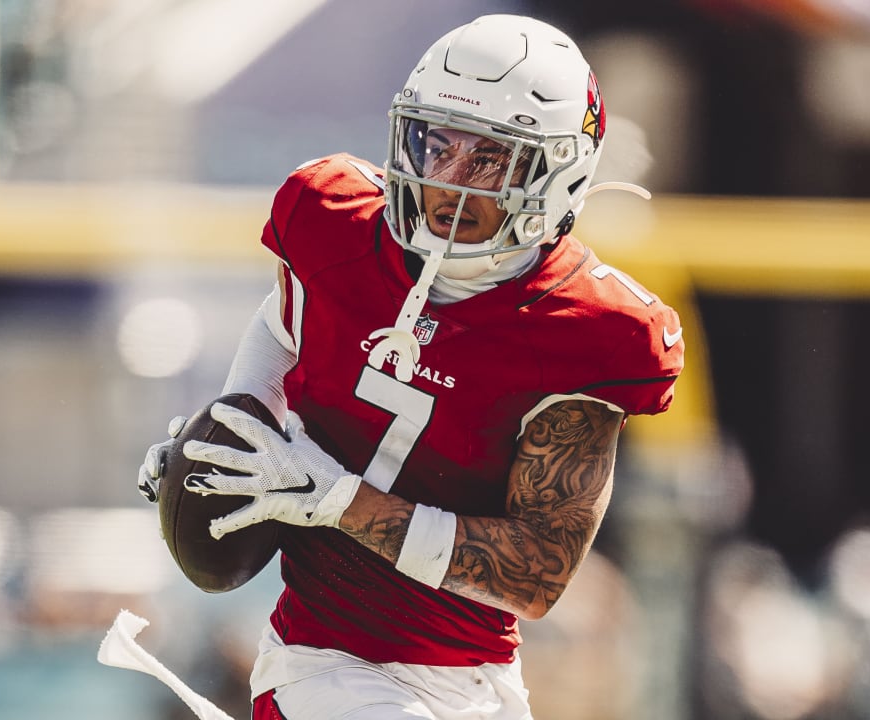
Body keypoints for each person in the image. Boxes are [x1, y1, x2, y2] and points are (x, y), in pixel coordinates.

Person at [137, 14, 684, 720]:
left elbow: (536, 574)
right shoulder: (332, 218)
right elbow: (283, 323)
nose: (447, 181)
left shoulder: (589, 330)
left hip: (480, 679)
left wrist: (337, 499)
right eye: (436, 143)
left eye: (489, 157)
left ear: (557, 174)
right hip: (326, 666)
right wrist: (234, 435)